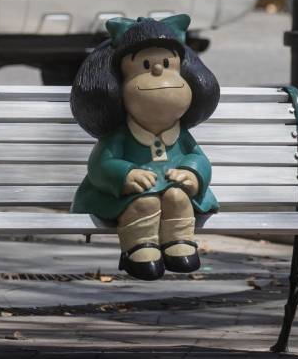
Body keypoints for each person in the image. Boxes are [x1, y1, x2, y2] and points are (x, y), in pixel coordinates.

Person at [70, 15, 220, 281]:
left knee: (178, 198)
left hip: (174, 188)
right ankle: (139, 247)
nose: (159, 72)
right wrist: (125, 174)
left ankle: (179, 242)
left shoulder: (181, 134)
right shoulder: (120, 136)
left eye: (166, 64)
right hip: (127, 196)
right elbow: (100, 166)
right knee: (145, 202)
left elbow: (199, 158)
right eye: (147, 65)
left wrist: (192, 172)